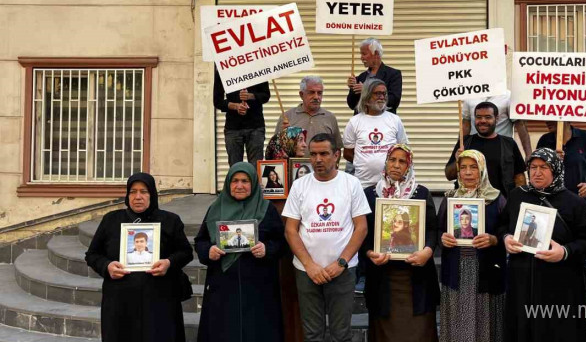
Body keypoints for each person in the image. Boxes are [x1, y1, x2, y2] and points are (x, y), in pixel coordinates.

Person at [499, 148, 586, 342]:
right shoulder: (517, 196)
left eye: (543, 167)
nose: (537, 172)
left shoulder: (574, 202)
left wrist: (565, 252)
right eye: (533, 167)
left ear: (555, 169)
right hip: (523, 283)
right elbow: (502, 225)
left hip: (561, 287)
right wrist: (506, 238)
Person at [283, 133, 371, 342]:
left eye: (324, 153)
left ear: (337, 155)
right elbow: (290, 230)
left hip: (343, 270)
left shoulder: (351, 184)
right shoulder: (299, 185)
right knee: (312, 333)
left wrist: (341, 263)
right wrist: (310, 265)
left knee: (341, 334)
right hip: (307, 272)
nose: (318, 159)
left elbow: (361, 228)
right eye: (313, 154)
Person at [85, 173, 193, 342]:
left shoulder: (169, 221)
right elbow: (92, 255)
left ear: (152, 194)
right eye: (133, 192)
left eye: (144, 192)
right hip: (120, 302)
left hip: (160, 301)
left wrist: (168, 263)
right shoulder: (111, 220)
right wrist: (107, 266)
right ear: (127, 195)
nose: (138, 197)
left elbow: (186, 252)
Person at [194, 162, 285, 342]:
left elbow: (281, 242)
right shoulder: (215, 209)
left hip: (259, 288)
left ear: (253, 182)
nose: (240, 185)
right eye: (235, 181)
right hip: (223, 288)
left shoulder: (267, 209)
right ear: (228, 183)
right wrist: (208, 251)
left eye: (245, 181)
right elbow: (200, 241)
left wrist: (267, 249)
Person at [536, 120, 586, 334]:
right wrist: (552, 162)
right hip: (551, 211)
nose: (547, 121)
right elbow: (535, 169)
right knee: (550, 263)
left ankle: (584, 323)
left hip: (580, 210)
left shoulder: (585, 138)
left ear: (566, 118)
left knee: (582, 265)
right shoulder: (545, 140)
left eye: (552, 118)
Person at [361, 144, 439, 342]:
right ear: (386, 162)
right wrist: (370, 253)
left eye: (402, 161)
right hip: (383, 278)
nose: (396, 165)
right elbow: (362, 232)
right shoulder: (371, 194)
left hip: (416, 278)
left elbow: (432, 229)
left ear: (409, 165)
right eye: (392, 160)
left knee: (419, 331)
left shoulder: (421, 193)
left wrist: (428, 252)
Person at [438, 149, 506, 342]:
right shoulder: (450, 198)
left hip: (486, 269)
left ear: (482, 170)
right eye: (463, 167)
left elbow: (507, 231)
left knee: (486, 320)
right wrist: (443, 239)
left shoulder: (497, 199)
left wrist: (493, 240)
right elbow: (438, 229)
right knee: (459, 320)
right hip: (457, 268)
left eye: (473, 167)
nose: (468, 172)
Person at [446, 101, 526, 197]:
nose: (483, 121)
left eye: (488, 117)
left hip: (501, 205)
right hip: (469, 204)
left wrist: (518, 201)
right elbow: (449, 176)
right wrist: (457, 161)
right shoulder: (464, 143)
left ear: (496, 119)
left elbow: (519, 177)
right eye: (478, 117)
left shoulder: (509, 144)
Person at [344, 78, 408, 188]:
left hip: (390, 185)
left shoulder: (395, 120)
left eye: (384, 93)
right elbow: (348, 153)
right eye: (377, 94)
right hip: (363, 184)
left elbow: (404, 150)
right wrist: (365, 161)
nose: (382, 97)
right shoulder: (354, 122)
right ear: (367, 96)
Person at [213, 68, 271, 165]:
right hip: (233, 126)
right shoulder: (223, 70)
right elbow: (217, 101)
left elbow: (266, 95)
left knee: (255, 168)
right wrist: (235, 106)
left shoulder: (258, 67)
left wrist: (251, 96)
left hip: (255, 125)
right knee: (235, 168)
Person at [274, 76, 343, 155]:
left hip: (322, 167)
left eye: (319, 93)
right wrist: (283, 136)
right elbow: (276, 149)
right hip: (295, 166)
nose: (316, 97)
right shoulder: (287, 117)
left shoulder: (330, 117)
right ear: (301, 94)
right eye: (311, 92)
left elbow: (337, 149)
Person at [461, 90, 532, 157]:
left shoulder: (509, 96)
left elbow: (520, 125)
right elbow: (465, 124)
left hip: (503, 151)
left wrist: (529, 155)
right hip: (475, 150)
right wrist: (460, 147)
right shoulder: (470, 96)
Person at [346, 38, 402, 114]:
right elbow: (352, 105)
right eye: (361, 54)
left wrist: (367, 90)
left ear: (376, 54)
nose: (361, 58)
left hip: (383, 122)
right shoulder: (361, 77)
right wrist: (353, 88)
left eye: (364, 54)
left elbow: (393, 102)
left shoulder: (393, 74)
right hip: (363, 123)